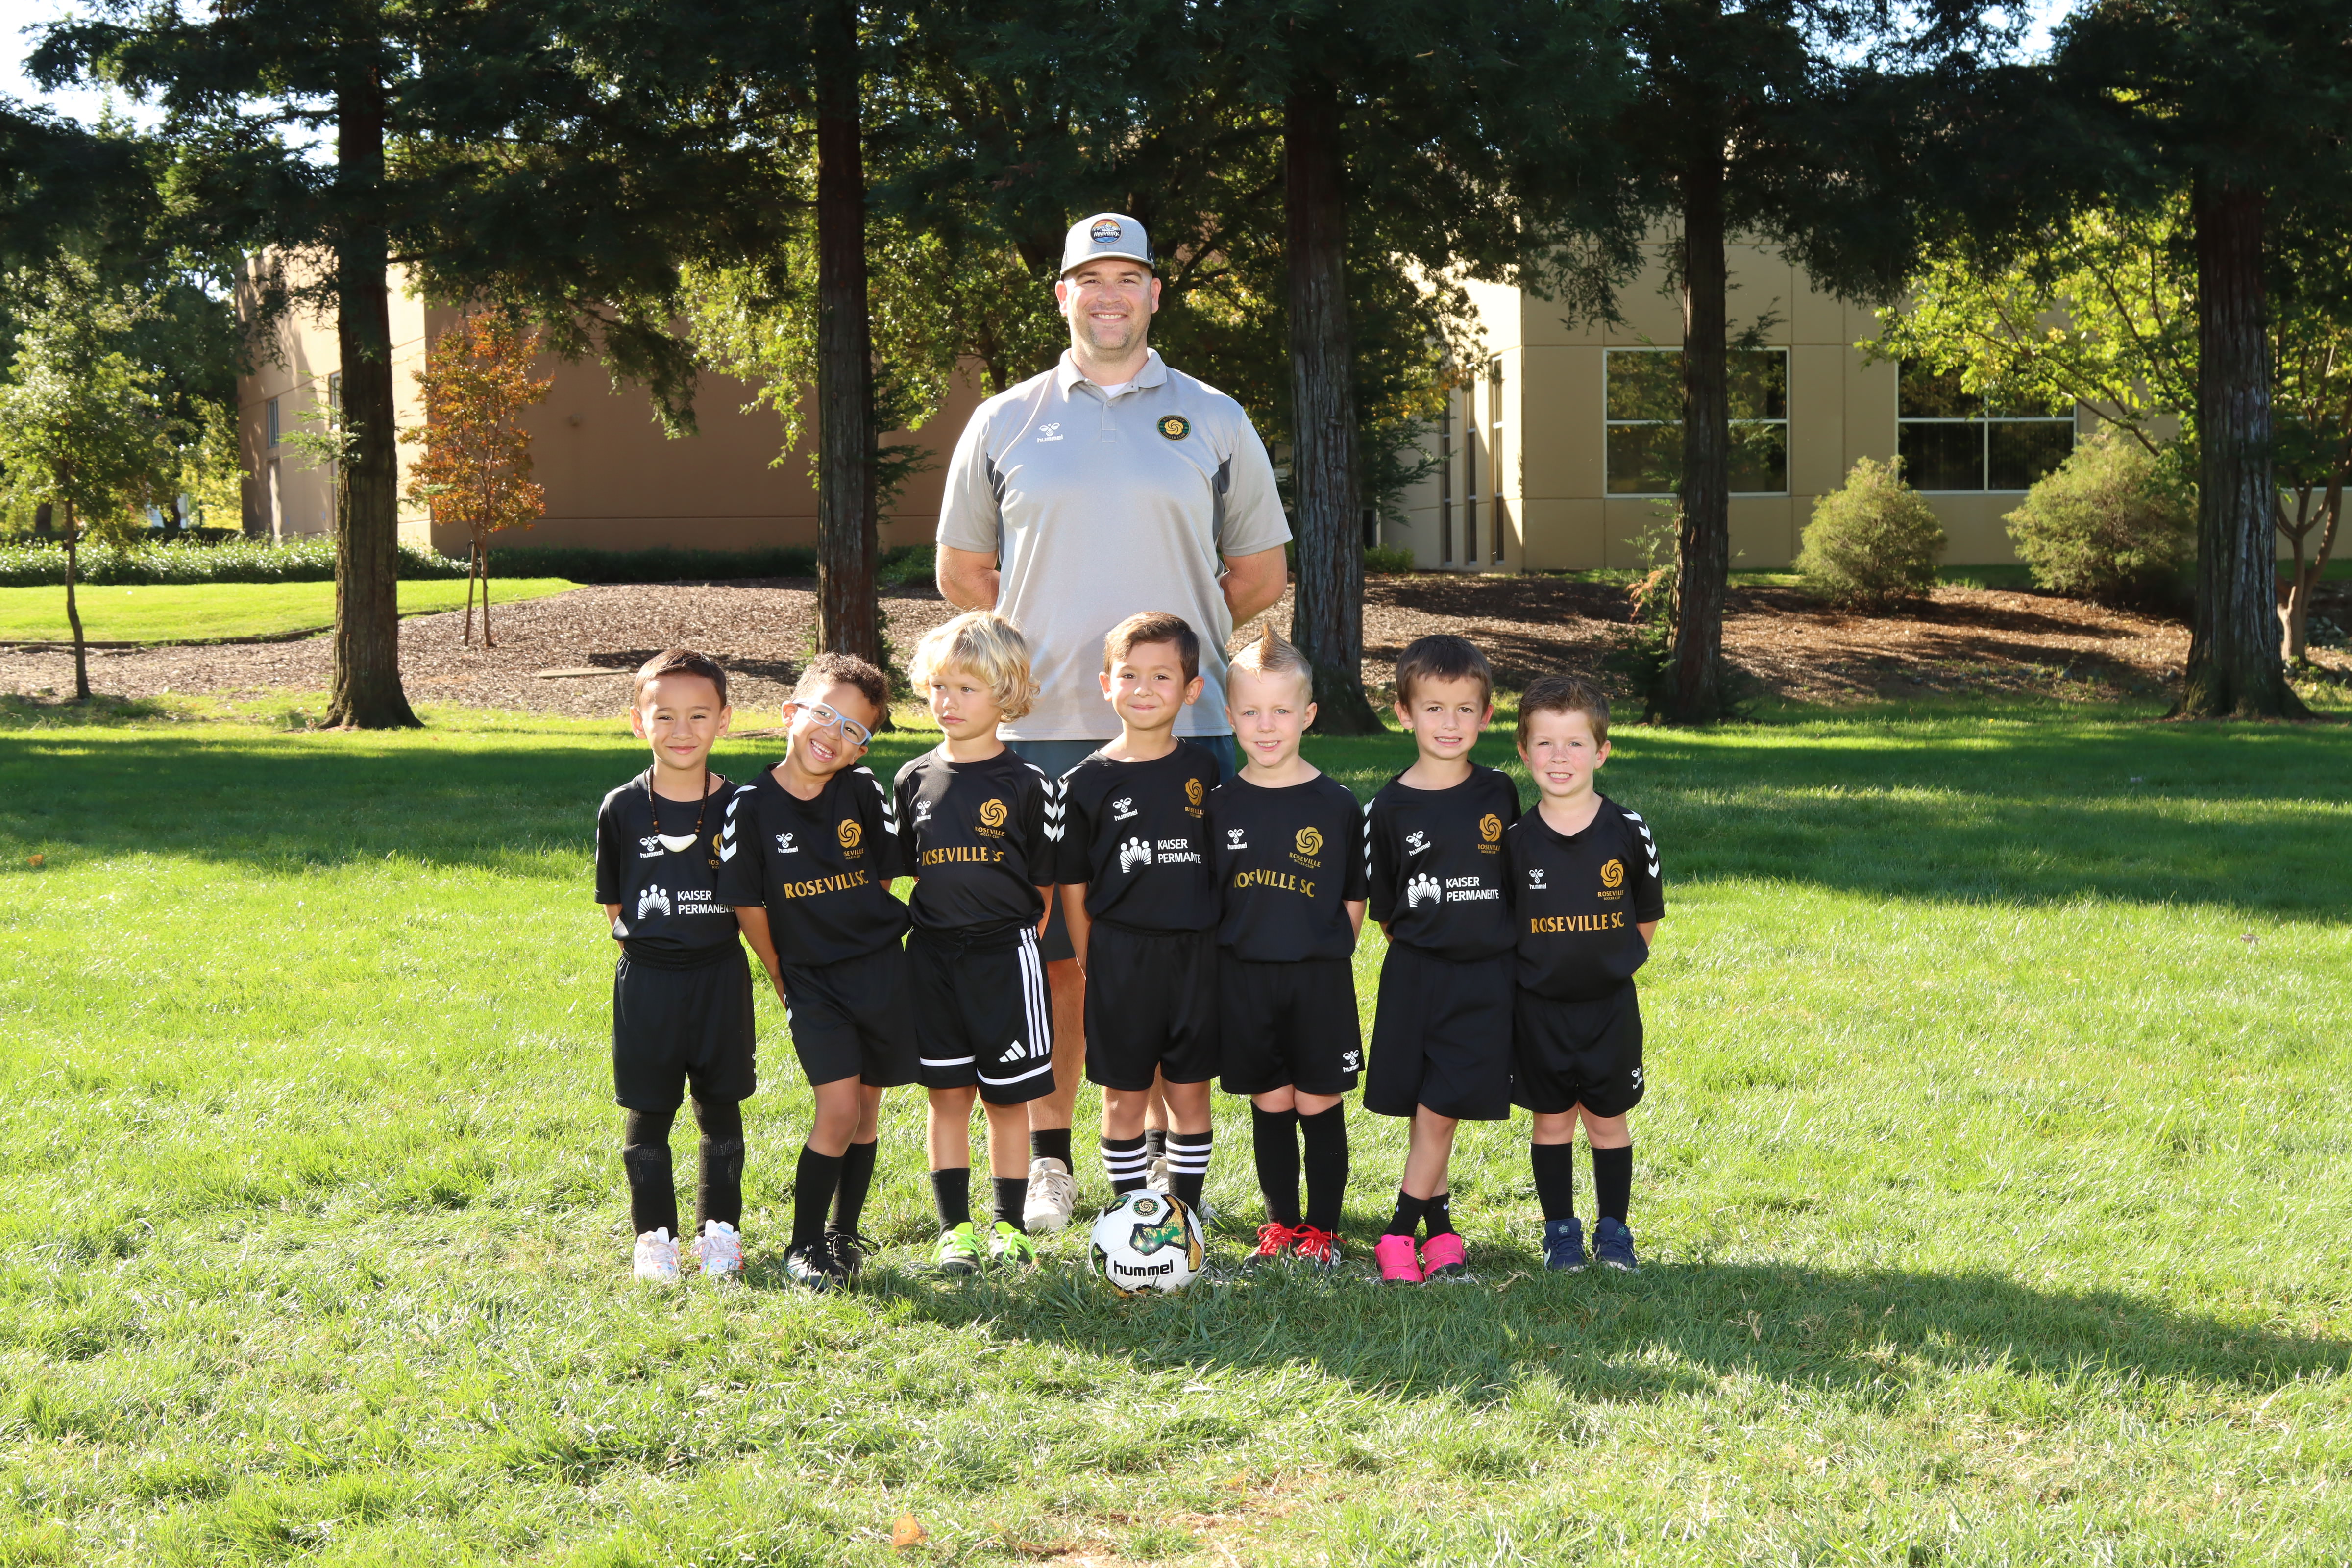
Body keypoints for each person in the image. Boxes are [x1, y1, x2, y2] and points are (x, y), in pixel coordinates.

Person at [933, 211, 1292, 1229]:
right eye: (1090, 279)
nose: (1109, 296)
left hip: (1186, 731)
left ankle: (1175, 1164)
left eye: (1128, 278)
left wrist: (1172, 666)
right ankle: (1053, 1161)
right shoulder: (1005, 420)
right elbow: (965, 572)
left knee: (1179, 945)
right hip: (1040, 731)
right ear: (1063, 296)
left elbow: (1258, 574)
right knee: (1054, 958)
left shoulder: (1214, 416)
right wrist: (1041, 650)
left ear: (1154, 295)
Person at [719, 652, 912, 1292]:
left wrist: (859, 932)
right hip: (811, 980)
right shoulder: (749, 806)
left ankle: (843, 1234)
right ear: (790, 712)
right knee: (837, 1109)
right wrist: (781, 973)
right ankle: (803, 1245)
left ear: (862, 749)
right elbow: (748, 904)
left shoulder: (864, 791)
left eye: (853, 729)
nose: (833, 734)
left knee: (867, 1109)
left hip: (880, 972)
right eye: (824, 714)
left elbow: (883, 872)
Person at [894, 612, 1061, 1274]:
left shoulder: (1029, 785)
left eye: (967, 688)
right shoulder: (911, 779)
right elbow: (906, 871)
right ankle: (955, 1229)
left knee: (1006, 1098)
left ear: (1006, 693)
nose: (949, 701)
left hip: (1005, 958)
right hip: (932, 959)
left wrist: (1010, 940)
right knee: (946, 1097)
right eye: (939, 686)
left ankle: (1008, 1227)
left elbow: (1043, 886)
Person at [1361, 636, 1521, 1285]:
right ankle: (1443, 1229)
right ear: (1404, 712)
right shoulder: (1388, 808)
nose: (1449, 723)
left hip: (1485, 976)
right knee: (1427, 1101)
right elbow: (1386, 907)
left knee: (1444, 1104)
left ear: (1486, 715)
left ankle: (1399, 1230)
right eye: (1434, 708)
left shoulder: (1500, 794)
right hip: (1415, 974)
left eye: (1464, 709)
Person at [592, 648, 756, 1285]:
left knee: (721, 1108)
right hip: (648, 981)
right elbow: (615, 904)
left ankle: (722, 1233)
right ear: (639, 722)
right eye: (664, 716)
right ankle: (654, 1238)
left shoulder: (742, 807)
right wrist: (652, 954)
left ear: (724, 720)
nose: (681, 730)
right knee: (649, 1112)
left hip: (721, 977)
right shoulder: (621, 808)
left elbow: (753, 900)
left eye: (698, 715)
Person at [1054, 612, 1225, 1217]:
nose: (1144, 688)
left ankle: (1184, 1212)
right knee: (1124, 1099)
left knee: (1189, 1094)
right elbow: (1074, 882)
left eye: (1162, 675)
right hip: (1120, 954)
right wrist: (1088, 954)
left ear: (1191, 689)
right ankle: (1132, 1216)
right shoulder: (1083, 782)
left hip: (1196, 954)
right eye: (1129, 675)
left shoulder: (1206, 771)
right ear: (1107, 685)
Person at [1207, 625, 1367, 1269]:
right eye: (1251, 712)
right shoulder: (1220, 805)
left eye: (1281, 710)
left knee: (1318, 1101)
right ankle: (1280, 1226)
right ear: (1231, 717)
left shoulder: (1337, 804)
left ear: (1309, 714)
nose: (1266, 725)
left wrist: (1326, 951)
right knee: (1271, 1102)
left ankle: (1322, 1232)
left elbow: (1354, 895)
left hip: (1317, 980)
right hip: (1245, 979)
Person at [1507, 674, 1664, 1273]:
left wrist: (1610, 965)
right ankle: (1561, 1232)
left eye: (1575, 743)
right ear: (1524, 752)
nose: (1560, 756)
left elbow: (1646, 915)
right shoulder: (1515, 842)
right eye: (1545, 743)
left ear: (1601, 751)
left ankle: (1614, 1231)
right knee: (1551, 1123)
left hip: (1608, 1008)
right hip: (1538, 1009)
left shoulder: (1628, 828)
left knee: (1607, 1121)